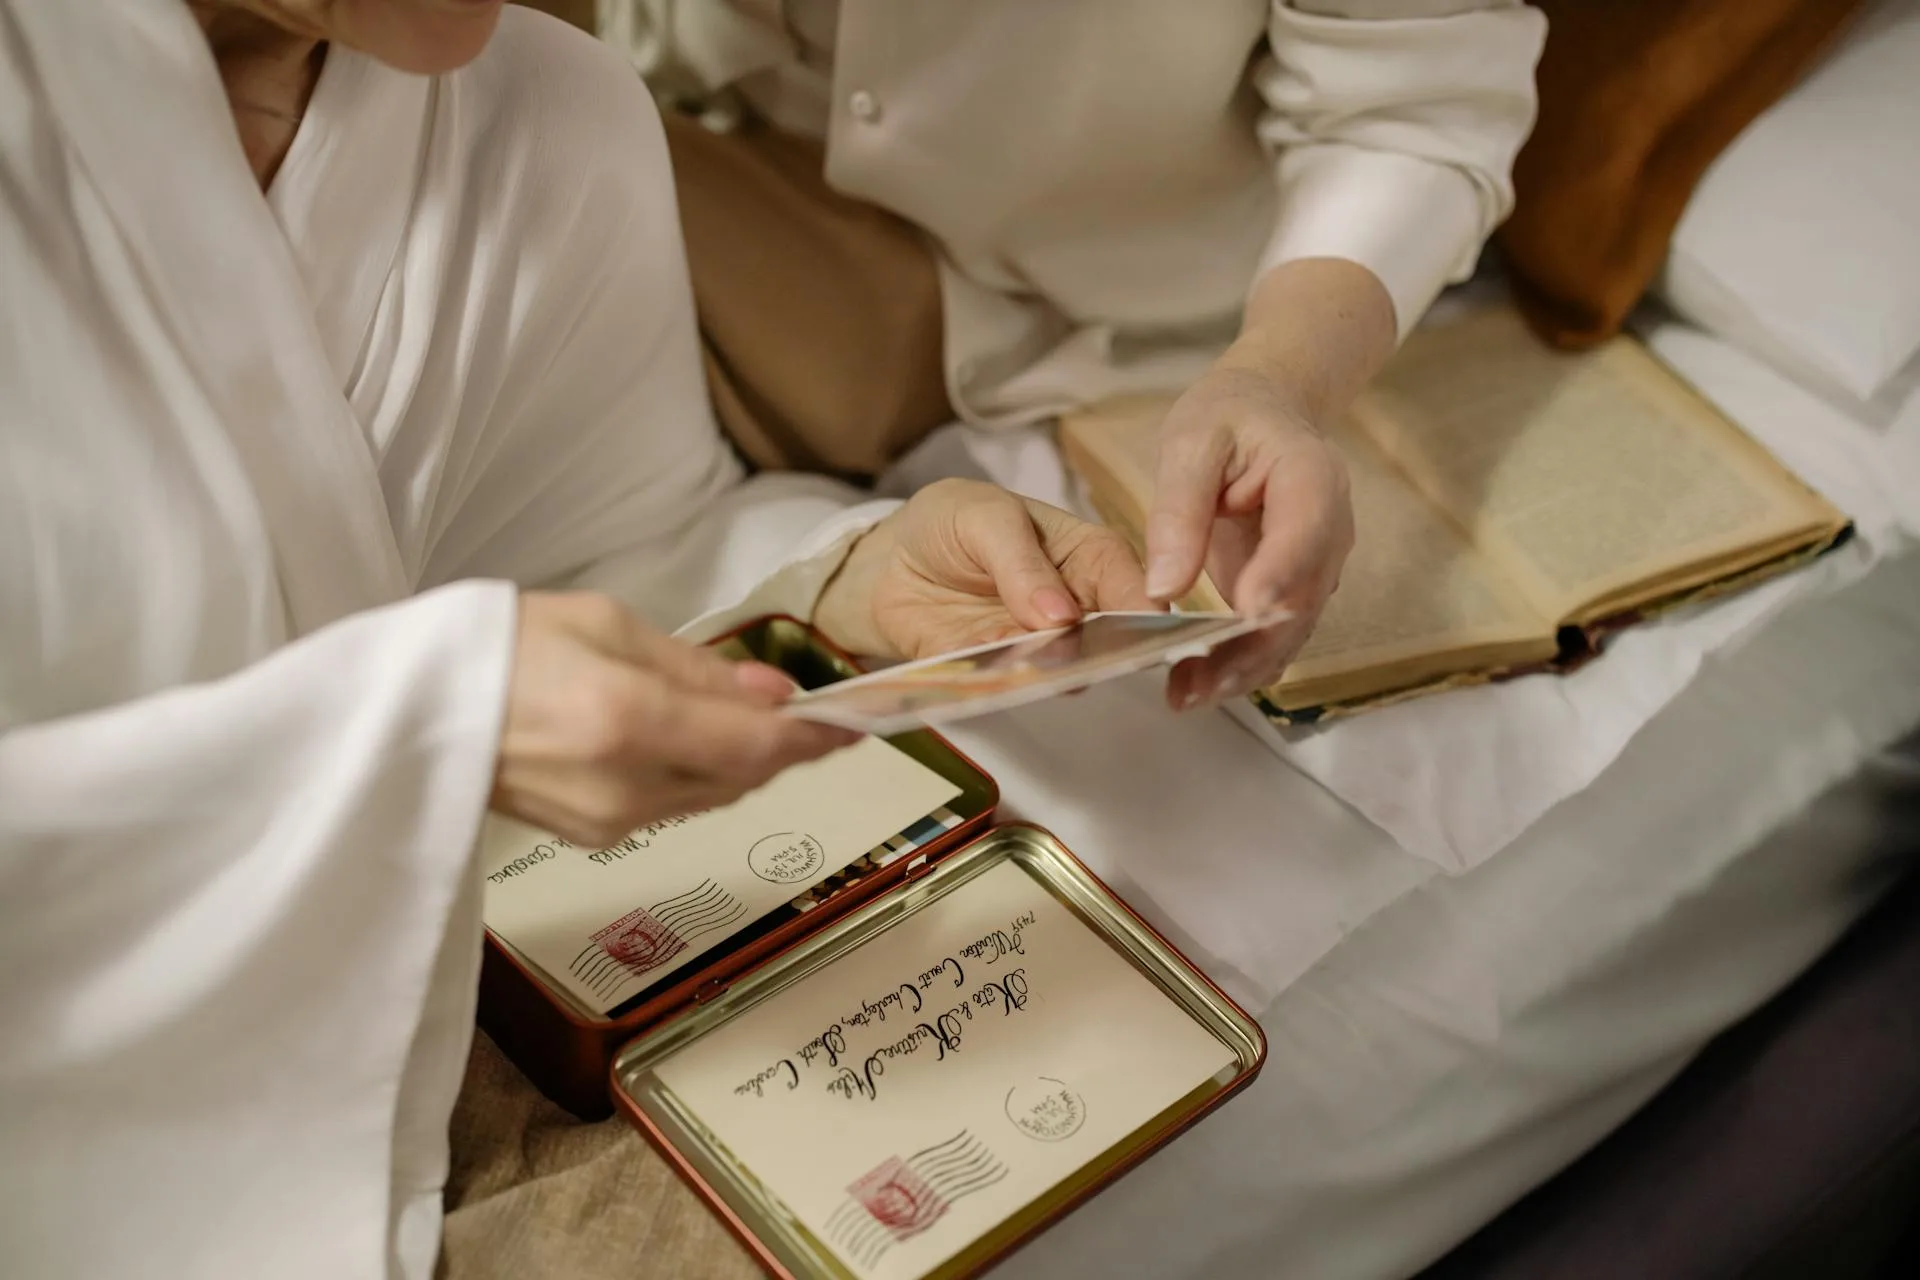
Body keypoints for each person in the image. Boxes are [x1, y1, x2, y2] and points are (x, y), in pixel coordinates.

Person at [5, 6, 1919, 1280]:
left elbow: (628, 545)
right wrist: (414, 734)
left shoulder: (523, 107)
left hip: (402, 1070)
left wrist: (851, 581)